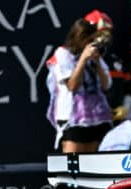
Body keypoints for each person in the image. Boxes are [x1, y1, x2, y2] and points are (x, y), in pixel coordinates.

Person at [46, 19, 112, 153]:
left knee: (93, 162)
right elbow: (72, 86)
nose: (91, 44)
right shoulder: (63, 54)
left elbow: (106, 85)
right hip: (74, 118)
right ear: (79, 38)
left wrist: (97, 62)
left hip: (97, 117)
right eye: (89, 40)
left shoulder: (94, 54)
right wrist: (83, 59)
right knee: (73, 160)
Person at [84, 10, 129, 121]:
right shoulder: (80, 61)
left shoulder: (115, 62)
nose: (105, 38)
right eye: (100, 34)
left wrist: (126, 106)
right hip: (90, 120)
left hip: (116, 120)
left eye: (107, 33)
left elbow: (129, 88)